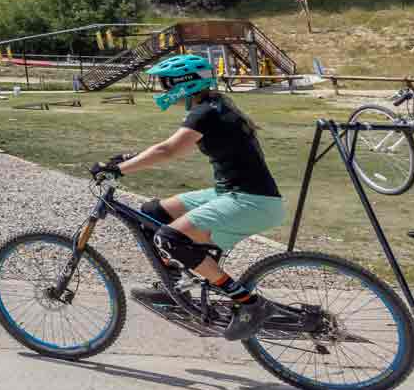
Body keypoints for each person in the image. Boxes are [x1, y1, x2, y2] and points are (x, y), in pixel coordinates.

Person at [98, 53, 285, 341]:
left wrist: (120, 170)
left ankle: (250, 305)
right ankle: (175, 287)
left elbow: (168, 151)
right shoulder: (213, 106)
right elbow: (173, 148)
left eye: (165, 82)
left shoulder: (205, 112)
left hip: (251, 202)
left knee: (169, 238)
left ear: (183, 83)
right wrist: (129, 158)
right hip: (238, 194)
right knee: (152, 212)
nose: (162, 88)